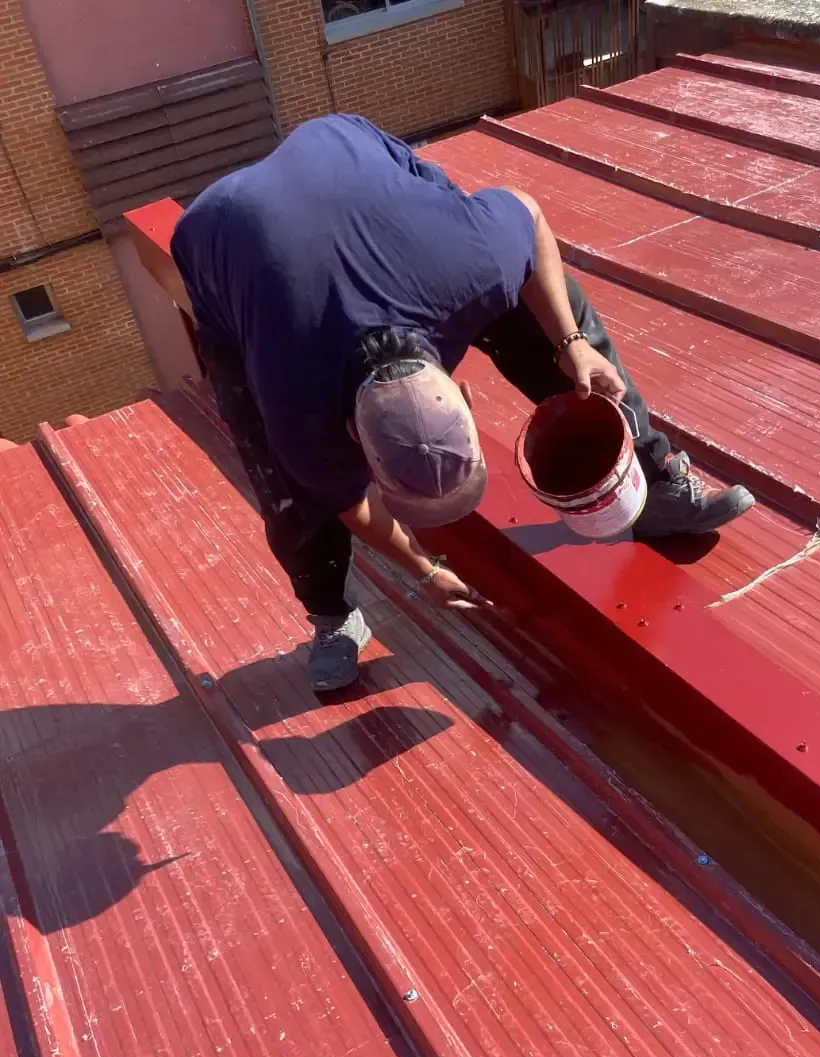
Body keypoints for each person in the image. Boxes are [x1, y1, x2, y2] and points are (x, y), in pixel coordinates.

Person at [172, 113, 754, 693]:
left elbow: (527, 212)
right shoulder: (294, 403)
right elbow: (350, 504)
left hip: (347, 153)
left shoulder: (470, 266)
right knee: (290, 495)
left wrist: (572, 346)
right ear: (350, 432)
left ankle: (651, 484)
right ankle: (332, 618)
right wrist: (424, 572)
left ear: (465, 395)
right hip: (220, 231)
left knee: (545, 318)